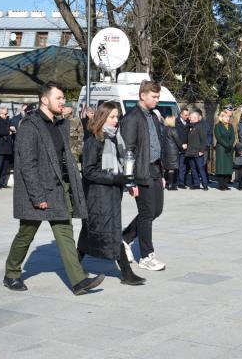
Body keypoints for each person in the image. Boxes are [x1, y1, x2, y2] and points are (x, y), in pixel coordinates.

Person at [3, 81, 105, 295]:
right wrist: (37, 196)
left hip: (59, 189)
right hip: (39, 191)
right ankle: (11, 273)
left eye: (63, 98)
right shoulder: (30, 126)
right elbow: (27, 164)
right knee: (26, 233)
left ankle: (78, 282)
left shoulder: (58, 125)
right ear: (44, 99)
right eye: (58, 98)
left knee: (65, 232)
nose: (63, 102)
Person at [77, 102, 145, 286]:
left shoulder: (115, 138)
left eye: (117, 117)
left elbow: (121, 164)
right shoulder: (94, 139)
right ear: (103, 117)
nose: (116, 120)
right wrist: (115, 178)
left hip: (112, 193)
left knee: (89, 232)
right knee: (112, 231)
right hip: (97, 195)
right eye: (113, 117)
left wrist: (126, 180)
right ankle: (126, 272)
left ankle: (74, 264)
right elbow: (89, 171)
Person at [119, 81, 167, 271]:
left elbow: (156, 143)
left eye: (158, 97)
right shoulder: (132, 117)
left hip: (155, 169)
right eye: (154, 97)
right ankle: (146, 256)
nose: (156, 100)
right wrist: (130, 180)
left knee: (156, 210)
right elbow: (127, 150)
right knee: (147, 213)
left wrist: (161, 172)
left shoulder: (153, 116)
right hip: (141, 171)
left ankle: (126, 237)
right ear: (142, 96)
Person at [185, 111, 209, 190]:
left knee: (200, 168)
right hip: (190, 151)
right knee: (193, 169)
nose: (189, 118)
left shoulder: (200, 126)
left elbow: (204, 139)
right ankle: (196, 184)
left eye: (190, 117)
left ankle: (205, 185)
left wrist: (201, 151)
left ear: (195, 118)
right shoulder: (190, 126)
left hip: (198, 151)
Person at [0, 106, 14, 189]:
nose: (7, 114)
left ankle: (3, 182)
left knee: (5, 167)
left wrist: (12, 129)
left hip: (7, 147)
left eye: (7, 113)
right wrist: (8, 131)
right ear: (0, 113)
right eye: (5, 113)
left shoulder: (8, 120)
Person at [214, 110, 235, 191]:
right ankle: (221, 185)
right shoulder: (217, 126)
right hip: (221, 149)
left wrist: (230, 144)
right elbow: (218, 137)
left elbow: (233, 136)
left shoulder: (230, 126)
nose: (228, 119)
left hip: (229, 149)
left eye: (228, 117)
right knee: (221, 167)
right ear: (221, 118)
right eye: (226, 117)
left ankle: (226, 184)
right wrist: (226, 145)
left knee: (228, 168)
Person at [162, 115, 181, 190]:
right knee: (171, 169)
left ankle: (165, 184)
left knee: (166, 168)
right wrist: (182, 147)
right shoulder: (173, 130)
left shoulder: (164, 129)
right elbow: (178, 141)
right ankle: (170, 185)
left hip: (165, 151)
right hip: (172, 152)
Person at [175, 107, 190, 188]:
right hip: (177, 147)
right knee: (176, 166)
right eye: (185, 115)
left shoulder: (188, 122)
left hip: (186, 148)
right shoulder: (175, 122)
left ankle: (181, 183)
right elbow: (175, 135)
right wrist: (181, 145)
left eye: (188, 115)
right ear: (181, 115)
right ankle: (174, 181)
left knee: (183, 166)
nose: (187, 116)